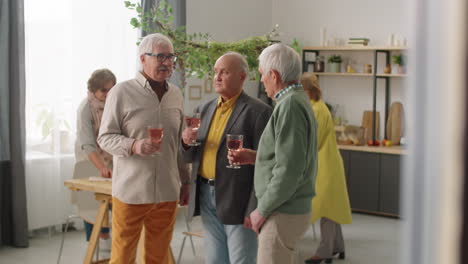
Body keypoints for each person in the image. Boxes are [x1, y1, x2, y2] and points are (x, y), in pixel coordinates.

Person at [97, 33, 190, 264]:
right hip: (131, 192)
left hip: (168, 191)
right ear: (143, 59)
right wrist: (134, 145)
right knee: (122, 257)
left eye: (170, 57)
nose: (167, 62)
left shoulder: (176, 94)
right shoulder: (121, 92)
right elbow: (105, 137)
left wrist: (185, 180)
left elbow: (176, 144)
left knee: (158, 258)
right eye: (160, 56)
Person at [229, 43, 318, 264]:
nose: (261, 81)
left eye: (262, 75)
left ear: (274, 75)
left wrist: (262, 210)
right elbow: (289, 157)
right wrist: (254, 157)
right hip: (286, 210)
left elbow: (289, 169)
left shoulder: (289, 106)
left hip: (281, 212)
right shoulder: (294, 101)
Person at [181, 52, 272, 264]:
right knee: (214, 259)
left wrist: (254, 207)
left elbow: (265, 164)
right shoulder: (203, 109)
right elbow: (189, 156)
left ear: (242, 77)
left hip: (239, 198)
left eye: (224, 72)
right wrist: (186, 141)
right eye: (215, 72)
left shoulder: (259, 112)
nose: (217, 77)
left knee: (241, 259)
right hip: (205, 193)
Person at [301, 72, 352, 264]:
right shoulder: (318, 107)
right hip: (328, 162)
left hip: (324, 165)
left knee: (325, 208)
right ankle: (337, 247)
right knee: (332, 207)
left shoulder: (316, 110)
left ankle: (324, 253)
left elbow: (314, 140)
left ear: (307, 91)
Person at [75, 68, 116, 251]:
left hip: (110, 156)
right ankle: (96, 242)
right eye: (104, 90)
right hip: (88, 157)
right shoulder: (86, 108)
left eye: (111, 89)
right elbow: (88, 144)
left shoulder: (114, 104)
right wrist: (101, 166)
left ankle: (110, 237)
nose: (108, 94)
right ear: (94, 90)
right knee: (91, 202)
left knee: (114, 198)